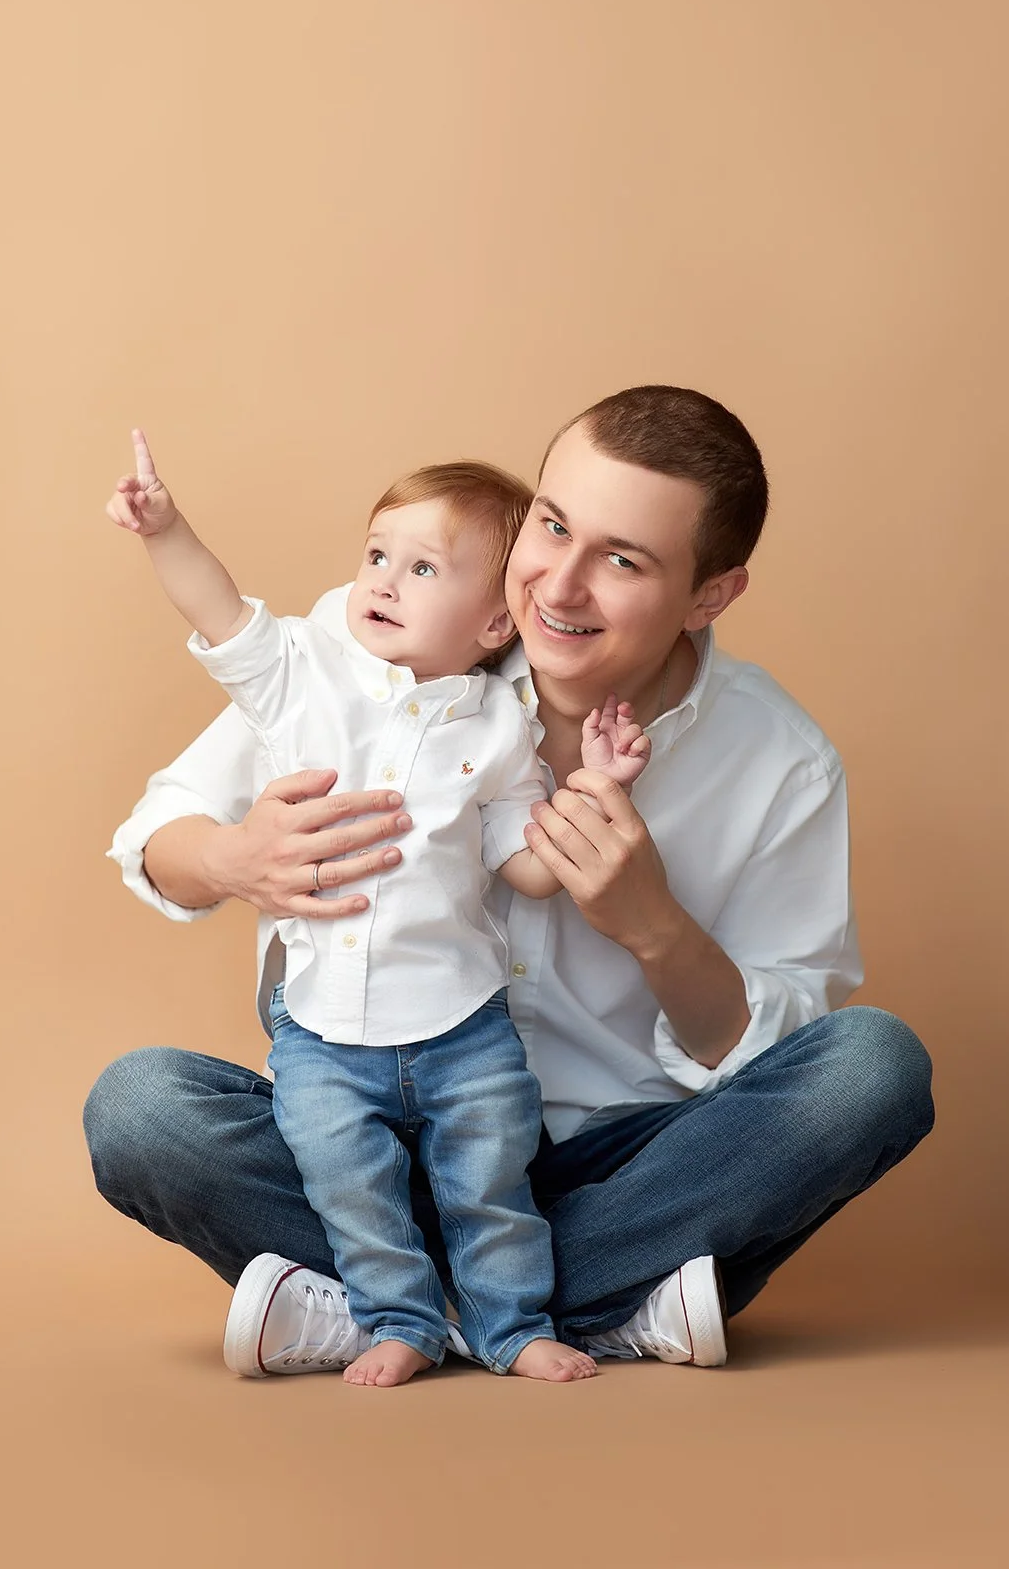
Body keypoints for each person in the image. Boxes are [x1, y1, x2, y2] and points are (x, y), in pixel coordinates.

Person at [86, 384, 934, 1379]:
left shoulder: (781, 762)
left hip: (619, 1166)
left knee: (872, 1066)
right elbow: (154, 837)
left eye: (622, 558)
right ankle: (585, 1306)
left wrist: (655, 928)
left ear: (709, 593)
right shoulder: (401, 652)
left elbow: (773, 1060)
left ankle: (392, 1305)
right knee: (143, 1108)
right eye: (552, 524)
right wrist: (233, 858)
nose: (557, 588)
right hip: (366, 1139)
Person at [104, 437, 651, 1385]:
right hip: (321, 1026)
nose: (385, 580)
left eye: (423, 567)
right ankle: (398, 1318)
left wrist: (591, 786)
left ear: (492, 623)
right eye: (376, 556)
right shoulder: (302, 673)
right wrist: (165, 527)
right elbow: (219, 611)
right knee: (346, 1183)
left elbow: (524, 867)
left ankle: (513, 1325)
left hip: (462, 1024)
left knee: (493, 1183)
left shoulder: (498, 723)